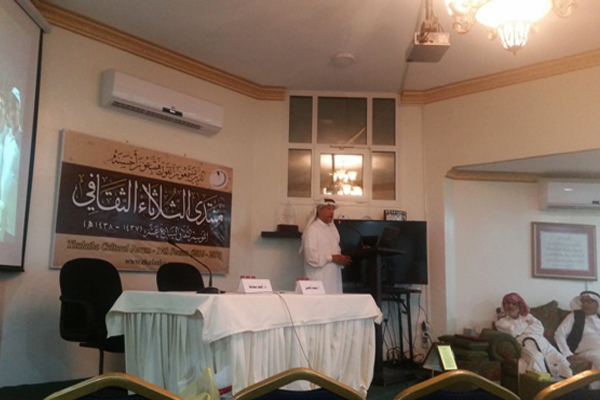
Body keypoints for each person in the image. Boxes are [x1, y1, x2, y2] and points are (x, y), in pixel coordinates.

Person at [496, 292, 572, 378]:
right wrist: (527, 324)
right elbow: (514, 332)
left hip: (542, 342)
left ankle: (567, 385)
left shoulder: (528, 316)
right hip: (525, 343)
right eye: (508, 303)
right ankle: (543, 384)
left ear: (519, 305)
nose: (510, 306)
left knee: (560, 360)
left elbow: (540, 328)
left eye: (514, 304)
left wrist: (521, 329)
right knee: (536, 358)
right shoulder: (501, 322)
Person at [300, 198, 351, 294]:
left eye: (333, 209)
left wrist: (341, 259)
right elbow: (310, 257)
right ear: (319, 210)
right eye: (328, 208)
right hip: (319, 281)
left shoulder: (333, 230)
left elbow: (336, 252)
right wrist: (331, 258)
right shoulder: (312, 230)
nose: (331, 212)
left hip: (334, 281)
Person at [555, 291, 600, 371]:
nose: (585, 304)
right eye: (583, 301)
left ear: (597, 304)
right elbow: (559, 334)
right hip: (587, 352)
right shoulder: (574, 316)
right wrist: (568, 353)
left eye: (589, 301)